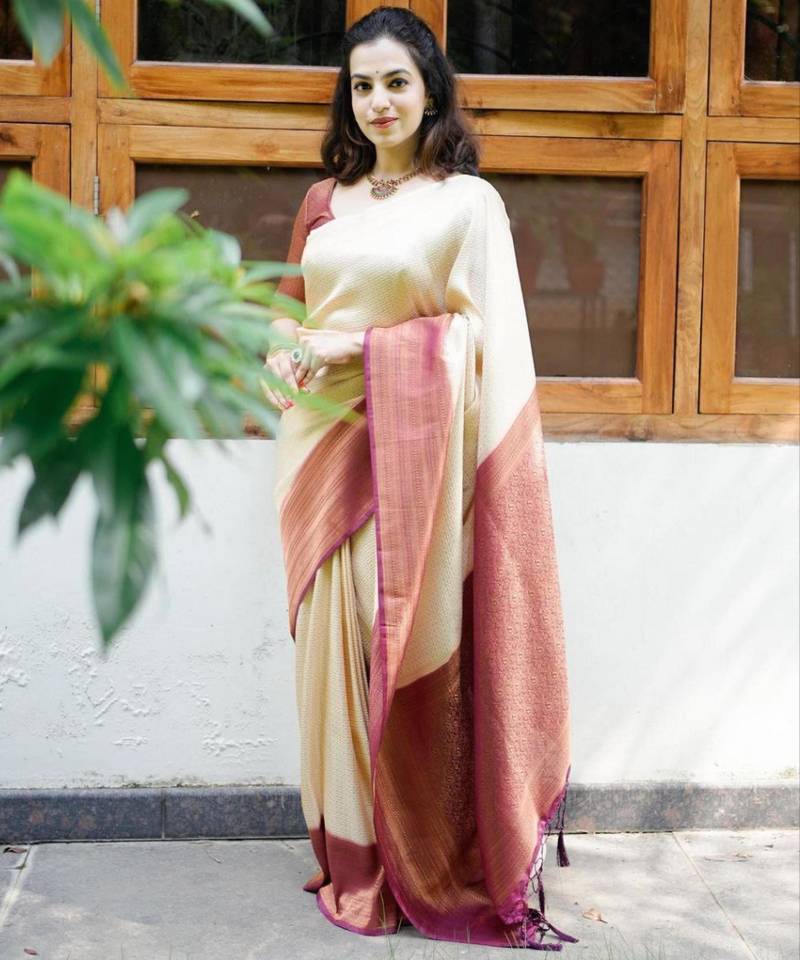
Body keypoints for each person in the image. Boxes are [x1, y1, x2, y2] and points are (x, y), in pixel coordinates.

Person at [263, 6, 577, 952]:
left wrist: (359, 349)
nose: (379, 102)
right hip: (321, 452)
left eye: (397, 82)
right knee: (329, 661)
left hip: (414, 469)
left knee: (394, 648)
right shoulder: (324, 200)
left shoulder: (466, 205)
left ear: (431, 91)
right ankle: (354, 856)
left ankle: (419, 854)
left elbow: (485, 342)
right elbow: (288, 309)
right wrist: (281, 349)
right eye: (362, 85)